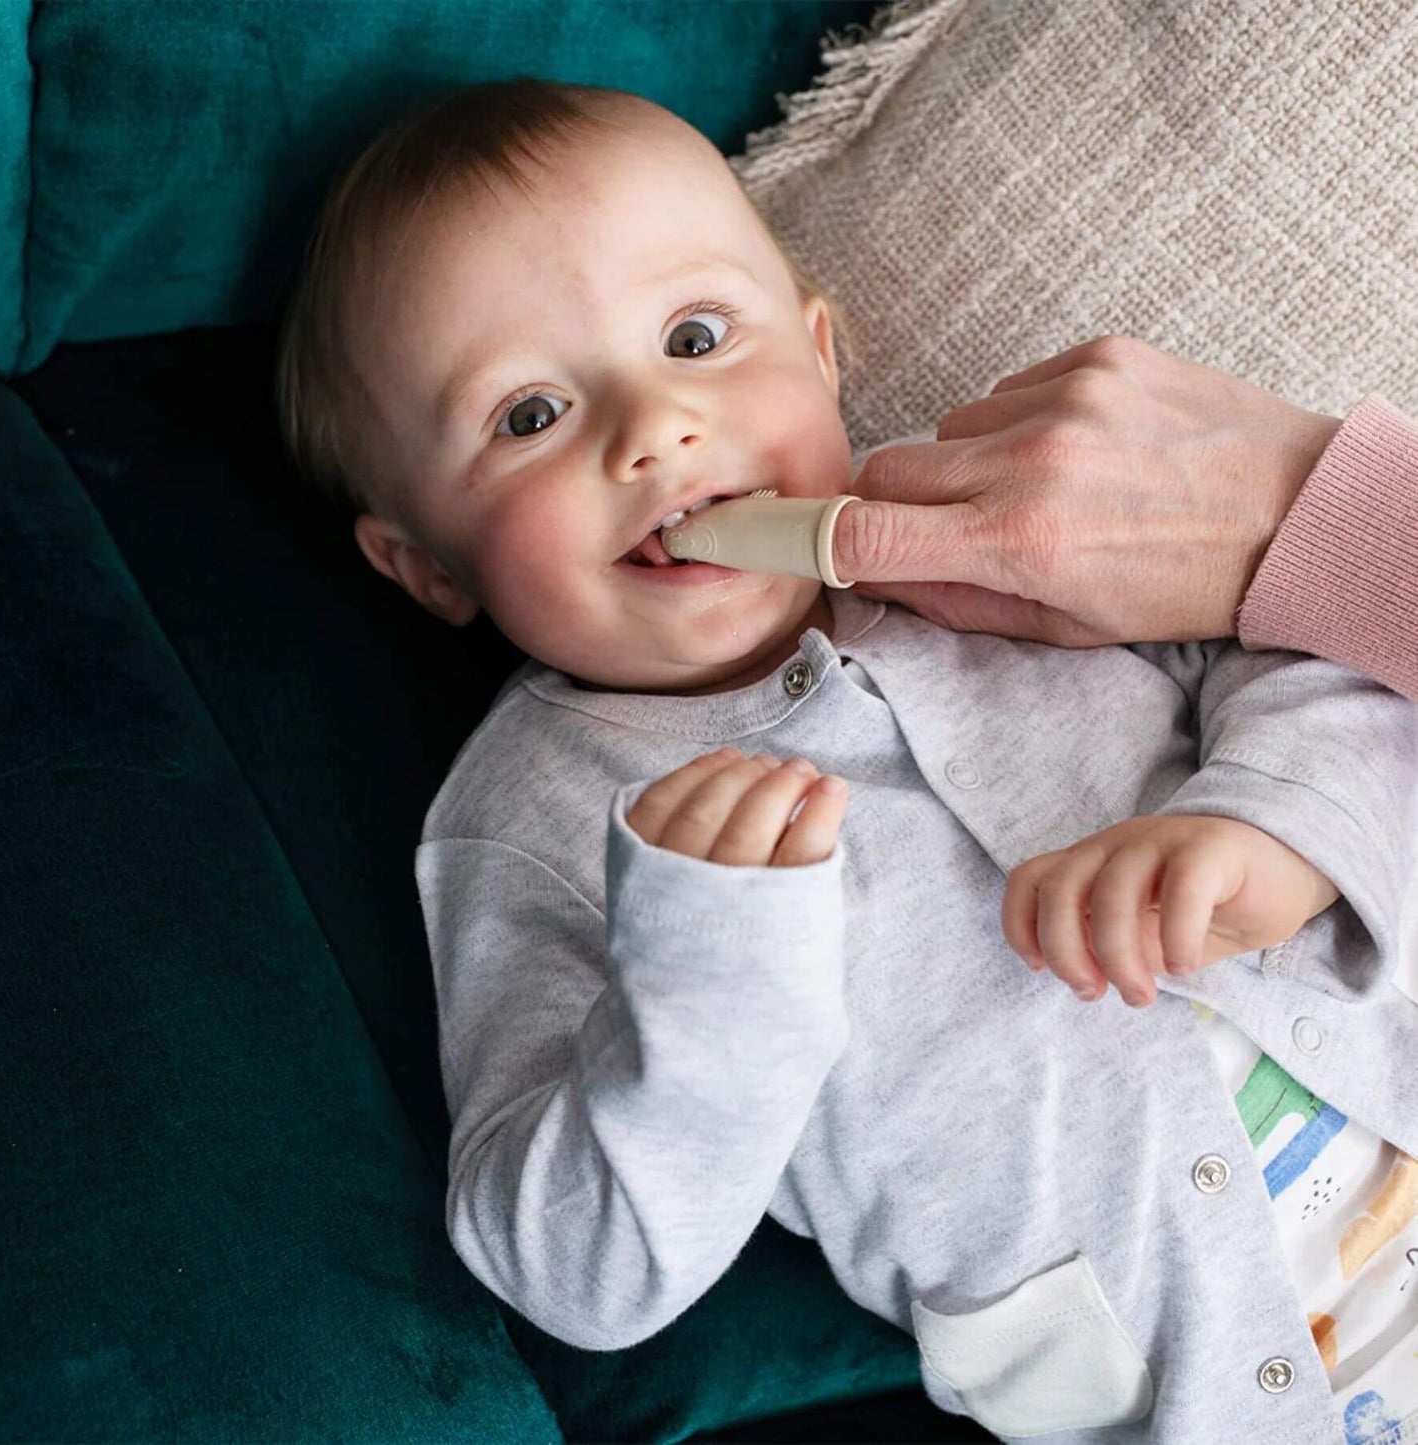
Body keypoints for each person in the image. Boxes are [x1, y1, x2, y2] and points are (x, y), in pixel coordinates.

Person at [273, 78, 1418, 1444]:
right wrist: (704, 987)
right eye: (528, 416)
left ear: (820, 355)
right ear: (424, 565)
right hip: (1217, 1394)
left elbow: (1332, 663)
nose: (653, 429)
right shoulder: (532, 814)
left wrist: (1274, 832)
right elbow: (566, 1267)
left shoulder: (988, 531)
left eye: (696, 336)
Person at [833, 337, 1418, 703]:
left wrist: (1323, 510)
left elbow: (1343, 715)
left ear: (820, 350)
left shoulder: (1003, 500)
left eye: (733, 329)